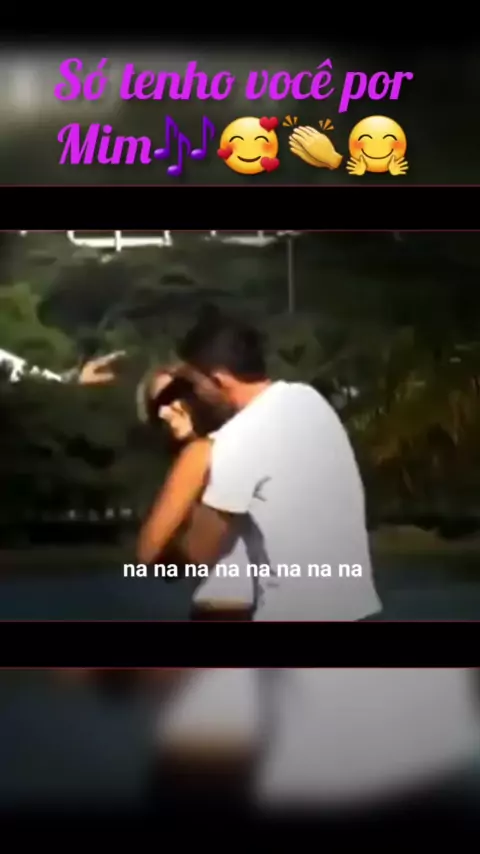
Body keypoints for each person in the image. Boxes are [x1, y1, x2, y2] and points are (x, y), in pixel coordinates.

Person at [138, 312, 382, 621]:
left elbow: (196, 551)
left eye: (192, 385)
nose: (191, 395)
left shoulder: (234, 442)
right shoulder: (310, 400)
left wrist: (166, 563)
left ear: (218, 380)